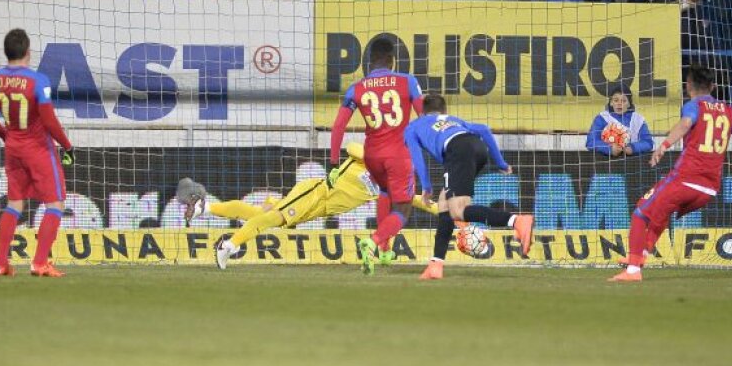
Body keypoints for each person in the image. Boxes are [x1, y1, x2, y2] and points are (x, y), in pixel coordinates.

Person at [181, 143, 443, 270]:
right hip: (314, 192)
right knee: (272, 220)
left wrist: (445, 210)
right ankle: (230, 246)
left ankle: (206, 208)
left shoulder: (390, 184)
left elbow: (417, 200)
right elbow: (351, 147)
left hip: (319, 208)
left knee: (262, 215)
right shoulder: (368, 157)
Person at [610, 64, 732, 282]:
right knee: (662, 211)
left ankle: (633, 271)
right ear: (713, 86)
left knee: (641, 212)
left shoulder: (694, 106)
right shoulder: (729, 111)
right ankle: (642, 253)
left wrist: (664, 145)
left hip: (685, 180)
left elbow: (685, 123)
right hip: (709, 189)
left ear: (688, 86)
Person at [404, 94, 535, 280]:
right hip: (476, 147)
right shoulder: (453, 120)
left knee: (458, 211)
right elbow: (483, 129)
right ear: (444, 111)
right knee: (444, 204)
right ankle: (436, 264)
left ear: (422, 112)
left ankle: (516, 221)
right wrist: (501, 163)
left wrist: (425, 185)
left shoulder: (413, 127)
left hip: (457, 151)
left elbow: (417, 158)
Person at [0, 28, 75, 277]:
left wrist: (6, 136)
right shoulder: (37, 80)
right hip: (38, 148)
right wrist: (67, 145)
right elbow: (49, 120)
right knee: (55, 204)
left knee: (14, 203)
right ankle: (39, 262)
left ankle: (0, 263)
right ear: (28, 52)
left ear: (7, 52)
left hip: (13, 148)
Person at [329, 38, 423, 275]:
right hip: (398, 154)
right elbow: (424, 117)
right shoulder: (407, 82)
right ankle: (373, 242)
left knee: (384, 192)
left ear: (370, 62)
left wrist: (332, 162)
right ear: (392, 60)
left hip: (371, 155)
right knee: (403, 209)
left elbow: (339, 126)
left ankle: (384, 252)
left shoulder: (357, 88)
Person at [586, 84, 654, 157]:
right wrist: (609, 148)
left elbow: (648, 143)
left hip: (632, 162)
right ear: (611, 102)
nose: (619, 103)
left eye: (624, 101)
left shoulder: (638, 119)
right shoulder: (602, 118)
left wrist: (633, 148)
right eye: (616, 100)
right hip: (606, 162)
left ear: (629, 104)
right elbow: (591, 142)